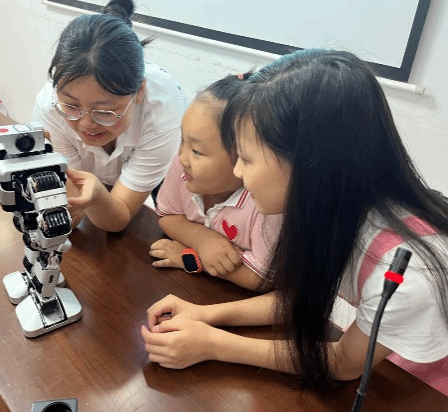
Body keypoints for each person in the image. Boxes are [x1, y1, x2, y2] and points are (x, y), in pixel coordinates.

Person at [141, 49, 448, 396]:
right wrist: (207, 315)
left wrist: (215, 344)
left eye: (246, 158)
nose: (238, 172)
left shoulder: (409, 274)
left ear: (307, 165)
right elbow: (298, 298)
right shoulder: (330, 209)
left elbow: (345, 363)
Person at [33, 0, 188, 232]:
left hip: (164, 174)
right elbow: (75, 197)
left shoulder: (163, 113)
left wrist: (95, 196)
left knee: (163, 223)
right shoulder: (51, 108)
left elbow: (118, 217)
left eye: (105, 112)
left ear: (140, 92)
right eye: (72, 106)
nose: (86, 124)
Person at [150, 73, 282, 290]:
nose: (182, 157)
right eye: (183, 139)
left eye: (197, 151)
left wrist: (190, 259)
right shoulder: (184, 167)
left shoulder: (267, 203)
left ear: (242, 155)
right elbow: (167, 215)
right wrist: (201, 239)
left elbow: (261, 278)